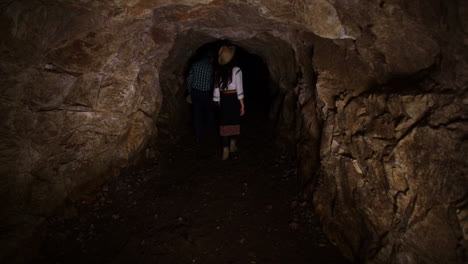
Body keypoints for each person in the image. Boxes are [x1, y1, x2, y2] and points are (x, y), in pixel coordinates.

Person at [213, 45, 245, 160]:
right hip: (234, 99)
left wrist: (217, 101)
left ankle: (225, 150)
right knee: (235, 122)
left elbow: (216, 88)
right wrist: (242, 104)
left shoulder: (218, 71)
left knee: (225, 124)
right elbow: (239, 89)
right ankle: (232, 144)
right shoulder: (237, 70)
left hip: (224, 99)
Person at [186, 48, 215, 143]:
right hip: (206, 93)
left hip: (195, 93)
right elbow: (212, 83)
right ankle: (208, 133)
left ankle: (198, 135)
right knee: (209, 113)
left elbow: (189, 79)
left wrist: (190, 91)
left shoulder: (195, 65)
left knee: (197, 114)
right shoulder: (211, 68)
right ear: (210, 58)